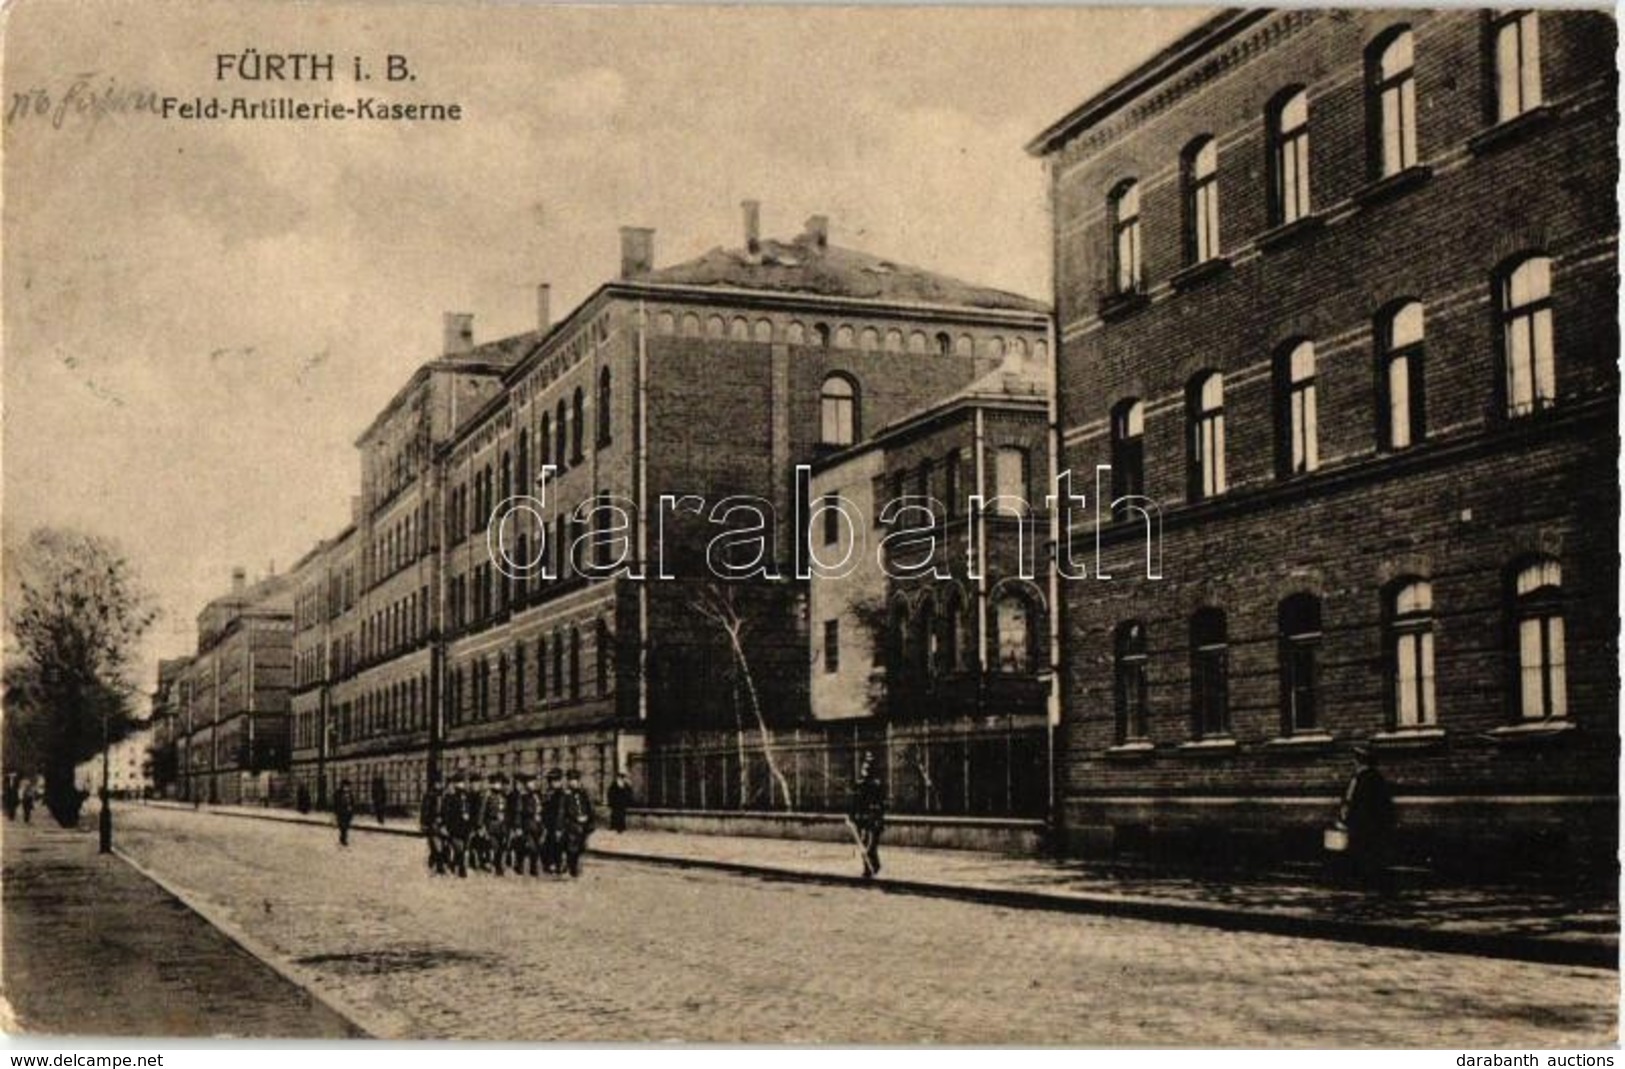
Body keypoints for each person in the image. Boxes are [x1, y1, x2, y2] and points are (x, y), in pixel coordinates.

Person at [1336, 744, 1397, 892]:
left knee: (1364, 855)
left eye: (1356, 760)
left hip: (1365, 827)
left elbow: (1358, 804)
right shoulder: (1371, 778)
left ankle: (1366, 884)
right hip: (1367, 826)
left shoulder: (1366, 779)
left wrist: (1347, 821)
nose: (1354, 763)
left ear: (1360, 761)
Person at [849, 753, 886, 878]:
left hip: (873, 821)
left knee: (870, 846)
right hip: (863, 820)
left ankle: (873, 867)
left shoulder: (876, 785)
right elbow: (855, 802)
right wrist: (851, 816)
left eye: (867, 768)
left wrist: (878, 819)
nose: (864, 771)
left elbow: (880, 804)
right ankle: (869, 868)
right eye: (864, 768)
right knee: (864, 845)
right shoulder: (861, 785)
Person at [558, 769, 596, 878]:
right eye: (571, 780)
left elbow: (590, 808)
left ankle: (573, 866)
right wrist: (560, 827)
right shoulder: (565, 795)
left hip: (584, 825)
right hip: (571, 825)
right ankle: (572, 868)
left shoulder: (584, 793)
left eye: (574, 780)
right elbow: (561, 812)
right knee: (571, 848)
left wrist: (589, 821)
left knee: (580, 847)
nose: (573, 782)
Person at [441, 772, 471, 878]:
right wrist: (445, 826)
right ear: (454, 784)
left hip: (465, 828)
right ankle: (461, 869)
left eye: (462, 782)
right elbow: (446, 814)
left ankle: (455, 865)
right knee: (459, 848)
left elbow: (470, 810)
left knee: (464, 849)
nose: (461, 785)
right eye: (458, 783)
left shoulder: (467, 797)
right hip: (454, 827)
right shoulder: (450, 798)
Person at [516, 774, 547, 877]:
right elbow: (519, 812)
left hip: (539, 825)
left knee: (538, 846)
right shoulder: (522, 796)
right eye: (530, 782)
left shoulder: (539, 795)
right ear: (526, 784)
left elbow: (543, 809)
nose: (532, 784)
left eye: (534, 782)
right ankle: (524, 867)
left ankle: (535, 868)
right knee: (530, 847)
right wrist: (518, 827)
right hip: (528, 825)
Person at [540, 768, 566, 874]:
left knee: (558, 845)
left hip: (558, 824)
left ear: (560, 781)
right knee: (548, 844)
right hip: (548, 824)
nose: (552, 783)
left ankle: (557, 865)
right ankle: (550, 864)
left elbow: (561, 811)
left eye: (555, 780)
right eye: (551, 781)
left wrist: (559, 827)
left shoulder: (562, 795)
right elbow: (544, 809)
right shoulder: (549, 794)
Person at [420, 774, 446, 875]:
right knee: (436, 844)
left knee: (440, 845)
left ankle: (434, 860)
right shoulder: (429, 795)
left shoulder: (443, 795)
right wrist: (424, 824)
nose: (440, 785)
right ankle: (439, 867)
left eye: (441, 783)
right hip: (432, 823)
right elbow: (425, 811)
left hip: (441, 823)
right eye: (439, 783)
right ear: (435, 784)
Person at [334, 780, 356, 847]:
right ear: (342, 786)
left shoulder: (350, 794)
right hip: (341, 813)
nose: (347, 788)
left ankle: (343, 838)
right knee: (342, 826)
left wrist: (352, 809)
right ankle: (343, 839)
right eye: (346, 786)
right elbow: (336, 803)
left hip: (348, 813)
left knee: (346, 827)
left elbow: (352, 802)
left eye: (348, 786)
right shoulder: (338, 793)